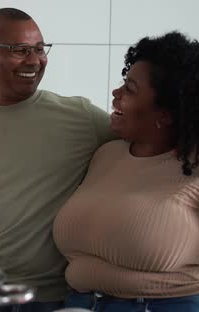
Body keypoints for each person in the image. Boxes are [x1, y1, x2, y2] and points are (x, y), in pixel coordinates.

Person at [0, 8, 116, 312]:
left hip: (56, 298)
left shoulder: (81, 118)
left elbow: (150, 144)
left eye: (39, 49)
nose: (35, 60)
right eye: (20, 50)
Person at [53, 31, 199, 312]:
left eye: (130, 89)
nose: (116, 93)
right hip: (79, 303)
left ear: (165, 114)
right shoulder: (106, 154)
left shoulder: (193, 169)